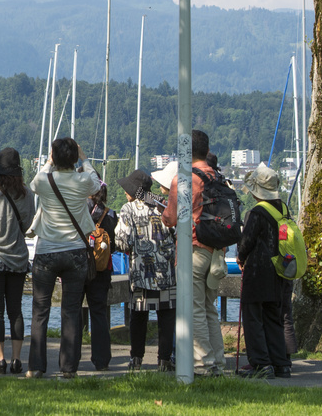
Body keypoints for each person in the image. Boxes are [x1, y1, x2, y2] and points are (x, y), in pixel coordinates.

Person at [26, 137, 101, 379]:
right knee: (71, 311)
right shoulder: (82, 180)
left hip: (47, 250)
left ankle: (36, 366)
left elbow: (33, 183)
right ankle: (69, 368)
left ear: (54, 157)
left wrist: (48, 162)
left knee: (40, 310)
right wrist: (85, 158)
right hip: (75, 251)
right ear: (74, 157)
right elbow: (97, 185)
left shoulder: (45, 180)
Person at [161, 129, 227, 377]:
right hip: (216, 250)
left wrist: (165, 215)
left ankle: (202, 364)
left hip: (194, 249)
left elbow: (171, 217)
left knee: (195, 308)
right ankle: (218, 362)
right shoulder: (216, 176)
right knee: (210, 309)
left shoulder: (186, 178)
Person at [114, 169, 176, 371]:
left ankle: (136, 359)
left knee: (138, 316)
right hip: (166, 272)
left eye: (128, 189)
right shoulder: (164, 205)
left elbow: (123, 242)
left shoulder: (128, 209)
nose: (125, 192)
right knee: (166, 315)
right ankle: (164, 359)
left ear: (136, 191)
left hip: (141, 272)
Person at [0, 147, 34, 375]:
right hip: (19, 258)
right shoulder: (28, 194)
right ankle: (17, 359)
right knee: (16, 311)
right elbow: (28, 223)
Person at [237, 163, 289, 379]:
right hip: (279, 270)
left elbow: (245, 242)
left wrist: (240, 256)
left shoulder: (257, 212)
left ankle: (261, 363)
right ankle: (281, 363)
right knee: (273, 317)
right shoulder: (284, 209)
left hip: (257, 270)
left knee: (253, 318)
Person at [76, 181, 118, 371]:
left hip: (77, 266)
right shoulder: (110, 214)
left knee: (73, 312)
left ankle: (71, 358)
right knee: (99, 314)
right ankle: (102, 360)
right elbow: (114, 246)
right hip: (101, 270)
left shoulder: (77, 209)